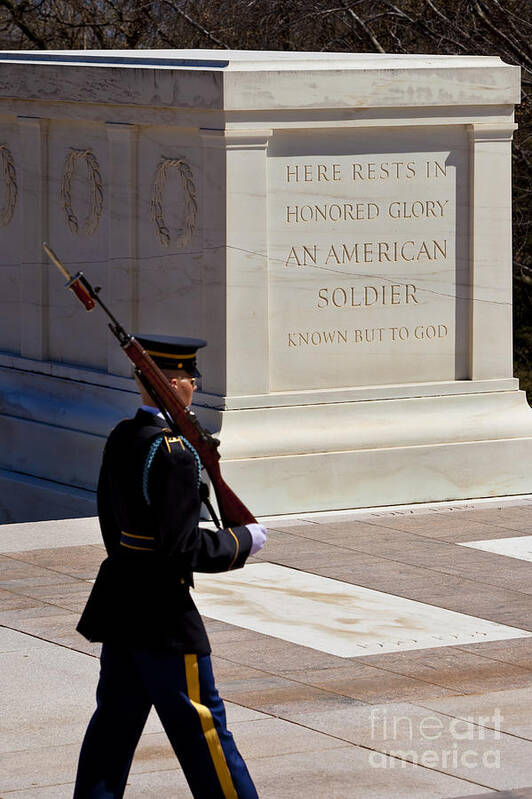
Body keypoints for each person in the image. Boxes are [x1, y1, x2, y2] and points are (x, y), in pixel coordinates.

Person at [73, 334, 266, 799]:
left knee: (112, 731)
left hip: (120, 605)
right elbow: (182, 549)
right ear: (170, 383)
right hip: (163, 617)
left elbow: (109, 523)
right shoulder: (175, 453)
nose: (194, 385)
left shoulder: (122, 435)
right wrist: (242, 541)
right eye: (187, 377)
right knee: (203, 731)